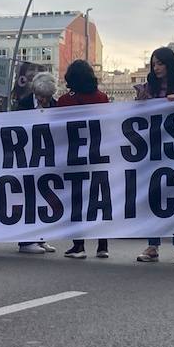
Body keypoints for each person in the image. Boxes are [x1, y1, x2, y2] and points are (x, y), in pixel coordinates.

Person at [136, 47, 174, 265]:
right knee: (155, 198)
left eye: (159, 63)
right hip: (154, 150)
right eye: (153, 64)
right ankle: (153, 246)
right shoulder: (149, 86)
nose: (156, 68)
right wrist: (141, 101)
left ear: (169, 63)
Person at [58, 59, 112, 260]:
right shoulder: (102, 98)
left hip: (74, 157)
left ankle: (79, 245)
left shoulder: (64, 101)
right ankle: (103, 245)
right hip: (99, 155)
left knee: (77, 202)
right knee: (101, 199)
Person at [13, 71, 59, 255]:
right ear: (34, 93)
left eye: (47, 97)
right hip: (27, 158)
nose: (44, 101)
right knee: (29, 198)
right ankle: (26, 241)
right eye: (41, 97)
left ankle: (41, 237)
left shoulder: (56, 106)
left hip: (46, 159)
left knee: (45, 198)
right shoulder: (23, 105)